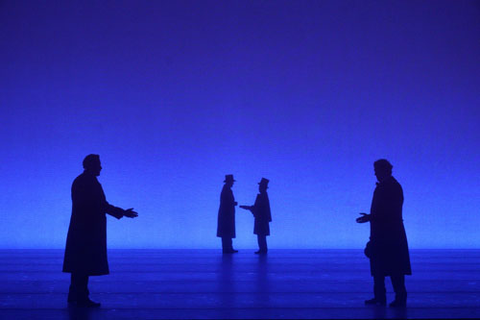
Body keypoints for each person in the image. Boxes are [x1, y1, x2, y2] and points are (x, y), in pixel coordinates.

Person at [63, 154, 138, 307]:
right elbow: (100, 204)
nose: (101, 167)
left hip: (83, 228)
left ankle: (75, 295)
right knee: (83, 264)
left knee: (79, 264)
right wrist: (122, 212)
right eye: (98, 164)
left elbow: (98, 204)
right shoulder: (88, 182)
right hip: (86, 229)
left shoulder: (83, 181)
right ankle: (80, 297)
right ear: (91, 165)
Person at [356, 159, 411, 307]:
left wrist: (371, 217)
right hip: (385, 233)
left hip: (389, 234)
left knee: (393, 268)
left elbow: (390, 211)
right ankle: (382, 296)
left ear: (383, 170)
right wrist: (371, 217)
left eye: (376, 170)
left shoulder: (391, 187)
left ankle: (397, 297)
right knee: (382, 266)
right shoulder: (389, 186)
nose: (374, 173)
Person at [240, 178, 272, 254]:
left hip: (261, 218)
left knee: (261, 234)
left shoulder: (263, 196)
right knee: (261, 235)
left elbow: (258, 208)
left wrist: (248, 208)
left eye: (260, 186)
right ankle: (263, 249)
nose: (259, 188)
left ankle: (263, 249)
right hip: (261, 218)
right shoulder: (263, 195)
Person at [217, 174, 238, 253]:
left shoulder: (227, 189)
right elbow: (226, 202)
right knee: (226, 231)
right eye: (232, 182)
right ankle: (227, 248)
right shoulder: (226, 189)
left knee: (227, 231)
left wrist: (232, 203)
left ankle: (228, 248)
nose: (233, 183)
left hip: (226, 214)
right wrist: (233, 203)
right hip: (226, 215)